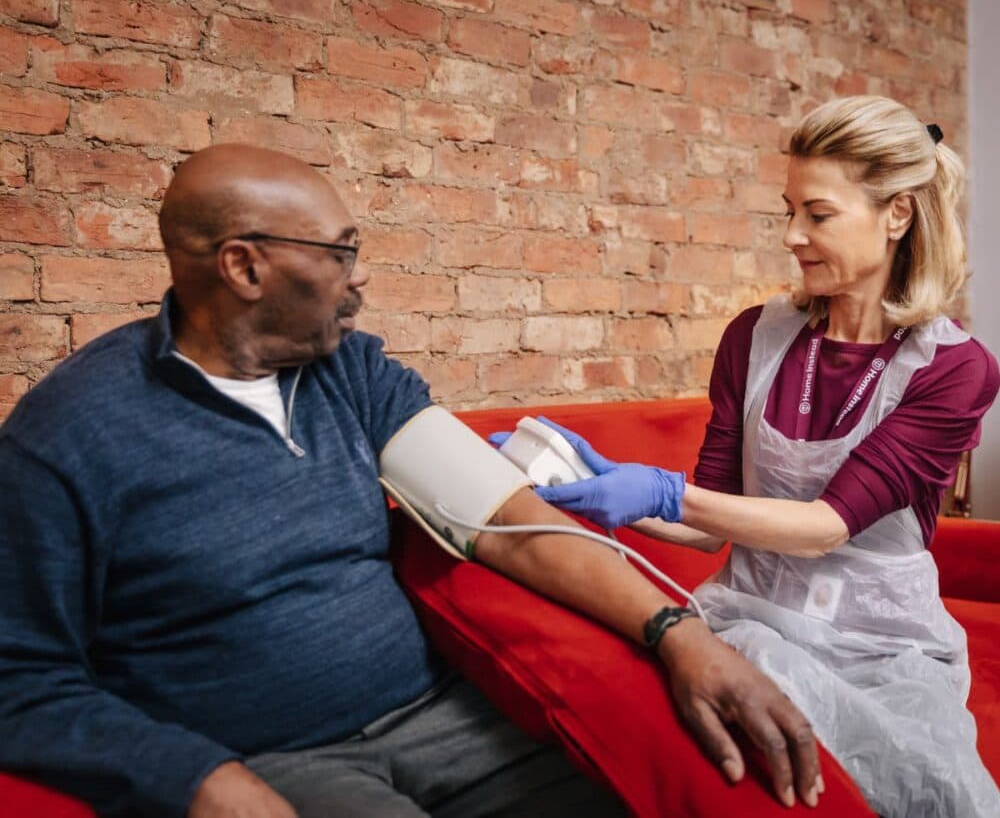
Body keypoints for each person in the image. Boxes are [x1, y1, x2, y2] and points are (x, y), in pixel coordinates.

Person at [0, 144, 823, 818]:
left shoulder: (350, 373)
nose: (360, 278)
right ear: (243, 267)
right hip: (276, 760)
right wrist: (198, 780)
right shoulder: (70, 435)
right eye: (340, 252)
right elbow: (20, 676)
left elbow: (505, 519)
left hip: (445, 721)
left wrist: (680, 635)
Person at [512, 96, 1000, 817]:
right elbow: (710, 529)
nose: (793, 235)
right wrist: (587, 483)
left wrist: (660, 492)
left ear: (896, 215)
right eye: (789, 210)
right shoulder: (754, 336)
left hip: (881, 646)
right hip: (751, 618)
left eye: (818, 213)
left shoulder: (954, 369)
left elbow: (830, 524)